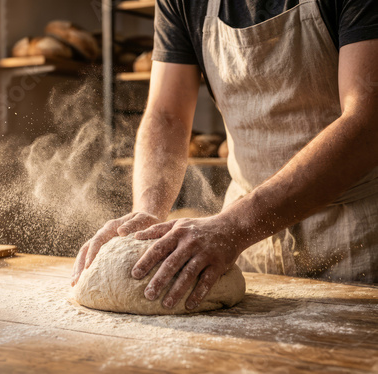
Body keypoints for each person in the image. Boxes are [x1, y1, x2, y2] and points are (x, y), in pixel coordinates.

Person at [72, 0, 378, 311]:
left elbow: (368, 122)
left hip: (354, 235)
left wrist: (235, 226)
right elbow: (167, 115)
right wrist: (148, 214)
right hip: (246, 244)